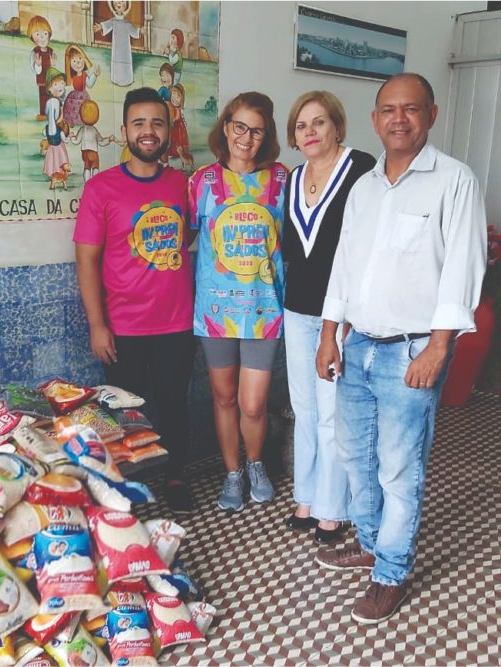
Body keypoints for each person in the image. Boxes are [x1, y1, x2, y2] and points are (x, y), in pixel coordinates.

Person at [315, 73, 487, 624]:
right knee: (356, 456)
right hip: (359, 343)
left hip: (413, 350)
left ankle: (390, 572)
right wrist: (329, 332)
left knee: (399, 468)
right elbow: (344, 263)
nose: (399, 119)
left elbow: (463, 267)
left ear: (431, 115)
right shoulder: (364, 188)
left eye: (411, 109)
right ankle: (370, 542)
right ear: (374, 119)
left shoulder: (454, 181)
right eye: (388, 109)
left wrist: (438, 348)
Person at [73, 87, 196, 513]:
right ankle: (125, 486)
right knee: (123, 414)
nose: (149, 131)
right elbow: (86, 260)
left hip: (177, 323)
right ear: (124, 130)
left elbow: (188, 237)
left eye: (157, 123)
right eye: (139, 123)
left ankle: (176, 476)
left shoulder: (182, 185)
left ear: (168, 131)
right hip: (122, 327)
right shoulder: (101, 189)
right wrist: (97, 325)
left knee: (175, 405)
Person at [282, 91, 376, 544]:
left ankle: (332, 509)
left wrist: (349, 314)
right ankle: (306, 497)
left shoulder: (361, 168)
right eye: (302, 126)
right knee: (304, 410)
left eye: (319, 122)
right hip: (296, 309)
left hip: (339, 315)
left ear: (337, 125)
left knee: (332, 412)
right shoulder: (294, 177)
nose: (311, 132)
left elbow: (368, 246)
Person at [188, 92, 288, 512]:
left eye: (257, 130)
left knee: (253, 402)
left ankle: (256, 463)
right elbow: (184, 240)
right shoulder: (201, 182)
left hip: (264, 310)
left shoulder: (282, 180)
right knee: (225, 398)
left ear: (267, 135)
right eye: (239, 126)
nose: (246, 138)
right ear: (226, 127)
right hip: (216, 312)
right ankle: (232, 472)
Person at [62, 44, 101, 128]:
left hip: (83, 95)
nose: (78, 63)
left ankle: (83, 120)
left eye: (80, 58)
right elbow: (66, 85)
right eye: (74, 61)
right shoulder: (72, 76)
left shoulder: (84, 75)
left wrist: (95, 75)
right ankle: (71, 121)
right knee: (72, 108)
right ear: (69, 63)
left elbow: (89, 84)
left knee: (83, 109)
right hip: (74, 95)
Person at [27, 16, 56, 121]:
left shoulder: (51, 51)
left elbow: (53, 67)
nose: (42, 37)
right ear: (32, 37)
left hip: (51, 79)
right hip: (42, 80)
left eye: (45, 33)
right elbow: (35, 69)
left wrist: (53, 65)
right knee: (43, 97)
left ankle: (53, 112)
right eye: (38, 34)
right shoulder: (35, 52)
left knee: (52, 96)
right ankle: (43, 113)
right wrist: (38, 64)